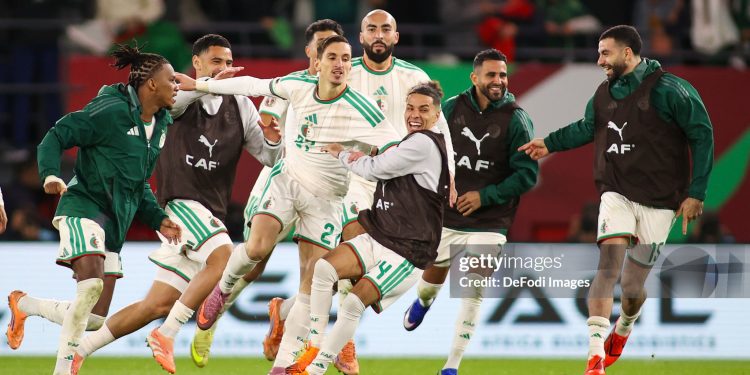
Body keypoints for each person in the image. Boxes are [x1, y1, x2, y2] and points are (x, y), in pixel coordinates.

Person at [176, 34, 402, 375]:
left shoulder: (364, 110)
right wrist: (202, 86)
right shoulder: (297, 84)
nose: (340, 64)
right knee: (256, 249)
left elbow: (398, 149)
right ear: (318, 62)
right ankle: (221, 293)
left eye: (345, 58)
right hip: (286, 181)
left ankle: (281, 367)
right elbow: (253, 83)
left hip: (327, 200)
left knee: (311, 284)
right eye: (333, 58)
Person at [258, 11, 460, 373]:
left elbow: (429, 138)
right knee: (330, 266)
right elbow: (310, 94)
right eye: (371, 29)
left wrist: (453, 177)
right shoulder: (346, 71)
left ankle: (292, 319)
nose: (378, 35)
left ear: (396, 36)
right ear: (361, 36)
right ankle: (329, 345)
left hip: (398, 201)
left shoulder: (414, 82)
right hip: (357, 184)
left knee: (344, 286)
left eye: (386, 29)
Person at [69, 34, 283, 375]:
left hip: (209, 213)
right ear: (196, 63)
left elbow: (269, 157)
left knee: (158, 303)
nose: (225, 69)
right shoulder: (178, 91)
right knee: (224, 257)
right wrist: (207, 85)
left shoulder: (241, 105)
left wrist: (274, 139)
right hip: (181, 203)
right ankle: (167, 333)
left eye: (229, 63)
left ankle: (78, 352)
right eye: (216, 62)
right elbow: (178, 101)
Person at [518, 25, 713, 375]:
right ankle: (595, 358)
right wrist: (550, 143)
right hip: (616, 191)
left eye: (605, 52)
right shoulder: (603, 93)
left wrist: (696, 192)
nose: (599, 60)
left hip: (660, 201)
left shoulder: (671, 90)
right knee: (608, 267)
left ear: (627, 53)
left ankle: (624, 326)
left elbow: (702, 134)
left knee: (633, 286)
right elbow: (586, 127)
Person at [6, 44, 182, 375]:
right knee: (91, 286)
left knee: (95, 318)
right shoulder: (110, 110)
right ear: (151, 85)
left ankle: (25, 304)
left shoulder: (160, 126)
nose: (177, 85)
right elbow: (57, 134)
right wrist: (50, 174)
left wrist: (159, 218)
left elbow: (139, 183)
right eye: (171, 79)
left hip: (114, 224)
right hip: (83, 206)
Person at [186, 19, 345, 368]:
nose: (329, 59)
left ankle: (300, 331)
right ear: (310, 52)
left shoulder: (351, 91)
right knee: (256, 259)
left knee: (327, 273)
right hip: (284, 180)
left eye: (336, 53)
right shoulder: (288, 85)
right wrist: (274, 135)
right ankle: (214, 312)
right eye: (321, 49)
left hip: (327, 192)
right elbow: (270, 138)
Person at [286, 81, 450, 375]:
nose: (415, 114)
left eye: (424, 110)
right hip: (382, 235)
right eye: (410, 108)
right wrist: (363, 149)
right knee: (324, 269)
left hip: (407, 251)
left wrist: (341, 153)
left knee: (351, 304)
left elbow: (374, 169)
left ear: (436, 116)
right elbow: (383, 156)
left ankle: (316, 368)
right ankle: (313, 345)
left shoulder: (424, 142)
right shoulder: (410, 142)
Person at [402, 48, 538, 375]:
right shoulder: (451, 109)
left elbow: (527, 175)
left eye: (503, 75)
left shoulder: (516, 119)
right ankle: (423, 301)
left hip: (491, 220)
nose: (498, 81)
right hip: (449, 213)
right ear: (474, 78)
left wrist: (485, 196)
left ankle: (452, 366)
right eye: (491, 75)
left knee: (474, 286)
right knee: (431, 277)